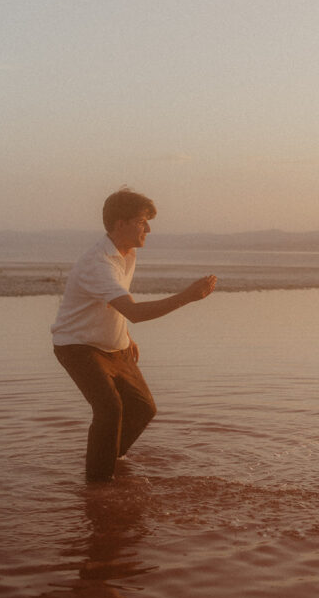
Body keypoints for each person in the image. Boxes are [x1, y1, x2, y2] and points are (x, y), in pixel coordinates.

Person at [52, 188, 217, 483]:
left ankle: (107, 460)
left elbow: (113, 303)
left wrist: (125, 336)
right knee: (109, 409)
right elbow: (136, 312)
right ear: (120, 224)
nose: (149, 229)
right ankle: (97, 487)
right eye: (142, 222)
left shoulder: (127, 253)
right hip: (78, 345)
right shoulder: (97, 263)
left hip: (115, 345)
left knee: (143, 409)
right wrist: (188, 296)